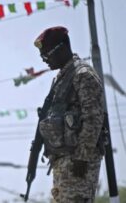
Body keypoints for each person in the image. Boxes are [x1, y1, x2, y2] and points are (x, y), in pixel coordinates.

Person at [33, 26, 105, 203]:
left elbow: (93, 118)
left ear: (62, 49)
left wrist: (82, 156)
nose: (44, 60)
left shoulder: (83, 75)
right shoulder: (62, 78)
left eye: (46, 55)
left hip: (78, 162)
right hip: (64, 160)